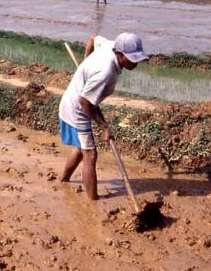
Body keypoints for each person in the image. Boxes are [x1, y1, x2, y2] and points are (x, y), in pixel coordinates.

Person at [59, 32, 148, 200]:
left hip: (78, 101)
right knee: (90, 154)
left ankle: (63, 180)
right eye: (132, 58)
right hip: (77, 109)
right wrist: (104, 127)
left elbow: (92, 38)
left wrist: (85, 62)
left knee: (80, 148)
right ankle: (93, 201)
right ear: (120, 54)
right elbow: (85, 102)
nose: (136, 63)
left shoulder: (110, 45)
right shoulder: (106, 72)